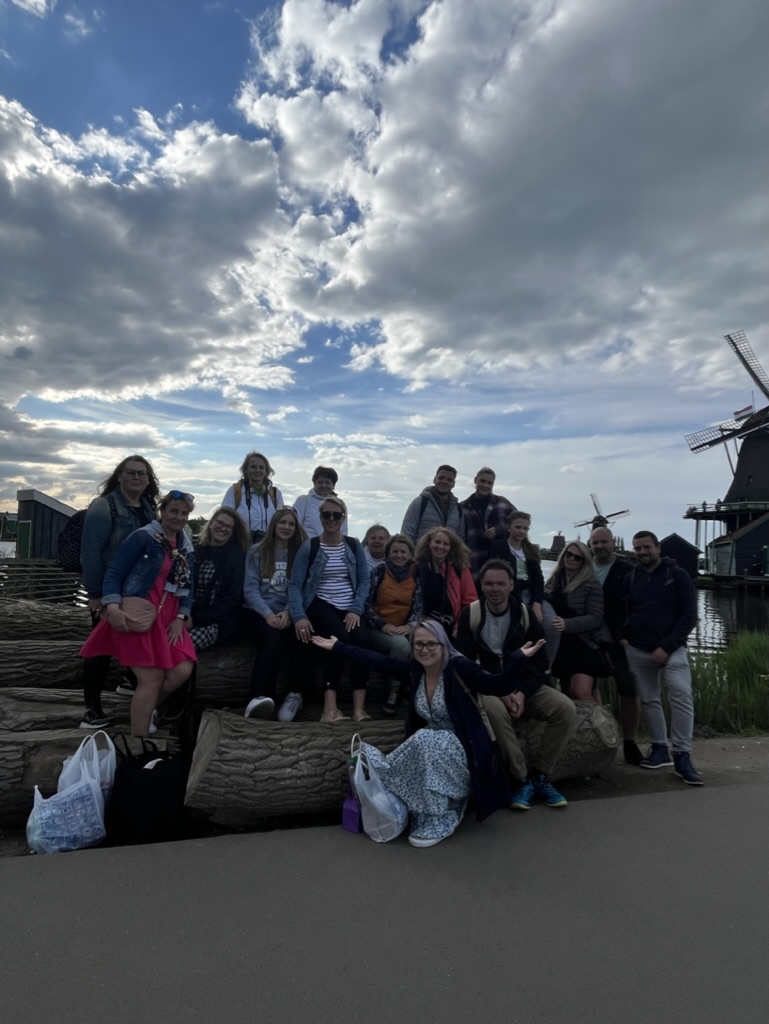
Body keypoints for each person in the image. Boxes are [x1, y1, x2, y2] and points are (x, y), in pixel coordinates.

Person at [313, 620, 546, 847]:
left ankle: (441, 815)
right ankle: (414, 807)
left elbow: (499, 685)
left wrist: (518, 659)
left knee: (426, 739)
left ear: (443, 645)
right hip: (430, 747)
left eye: (431, 644)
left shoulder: (459, 668)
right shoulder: (416, 670)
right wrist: (338, 646)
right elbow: (379, 661)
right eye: (419, 644)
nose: (425, 650)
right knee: (373, 759)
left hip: (463, 751)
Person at [456, 560, 575, 810]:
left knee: (565, 708)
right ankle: (521, 779)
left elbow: (540, 660)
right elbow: (465, 663)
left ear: (511, 585)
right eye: (489, 583)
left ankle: (541, 775)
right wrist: (500, 691)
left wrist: (520, 692)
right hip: (488, 687)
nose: (494, 589)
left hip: (522, 686)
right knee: (495, 714)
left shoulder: (524, 614)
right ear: (481, 585)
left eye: (501, 583)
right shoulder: (471, 615)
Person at [79, 490, 196, 737]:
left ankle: (145, 708)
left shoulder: (186, 545)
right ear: (162, 511)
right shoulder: (143, 537)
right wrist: (112, 606)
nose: (179, 517)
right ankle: (139, 742)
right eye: (174, 511)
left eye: (184, 513)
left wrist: (180, 617)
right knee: (152, 678)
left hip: (169, 618)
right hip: (140, 614)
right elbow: (115, 573)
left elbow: (189, 587)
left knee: (181, 670)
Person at [79, 454, 160, 728]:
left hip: (137, 592)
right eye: (131, 473)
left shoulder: (147, 508)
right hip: (109, 591)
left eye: (142, 474)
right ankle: (91, 710)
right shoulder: (105, 507)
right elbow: (90, 553)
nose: (137, 477)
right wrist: (95, 594)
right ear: (120, 476)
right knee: (100, 650)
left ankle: (129, 684)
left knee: (135, 641)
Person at [621, 531, 701, 784]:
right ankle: (659, 748)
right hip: (637, 647)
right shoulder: (631, 577)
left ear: (658, 548)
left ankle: (682, 754)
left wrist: (667, 646)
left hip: (672, 649)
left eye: (646, 547)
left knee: (681, 695)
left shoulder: (677, 575)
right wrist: (623, 636)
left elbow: (689, 615)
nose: (642, 552)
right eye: (637, 548)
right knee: (649, 700)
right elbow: (623, 609)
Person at [288, 495, 371, 722]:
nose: (331, 519)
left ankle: (358, 710)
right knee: (339, 639)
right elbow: (295, 584)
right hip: (320, 602)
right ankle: (329, 709)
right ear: (321, 517)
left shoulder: (353, 545)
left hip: (349, 606)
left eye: (336, 515)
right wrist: (298, 616)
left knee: (362, 641)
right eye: (327, 514)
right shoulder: (310, 547)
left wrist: (356, 609)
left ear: (343, 518)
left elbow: (364, 580)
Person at [243, 506, 312, 721]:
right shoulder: (257, 550)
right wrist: (267, 614)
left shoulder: (300, 554)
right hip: (257, 611)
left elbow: (302, 588)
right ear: (274, 524)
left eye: (291, 524)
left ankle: (295, 694)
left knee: (302, 636)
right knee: (271, 640)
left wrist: (289, 613)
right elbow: (250, 589)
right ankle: (259, 697)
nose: (286, 527)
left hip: (287, 612)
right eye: (282, 522)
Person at [588, 526, 642, 765]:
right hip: (588, 636)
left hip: (619, 637)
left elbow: (638, 603)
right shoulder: (584, 566)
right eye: (595, 543)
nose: (599, 546)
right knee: (585, 687)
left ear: (613, 543)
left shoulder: (627, 569)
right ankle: (599, 738)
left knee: (628, 688)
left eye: (603, 542)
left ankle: (629, 741)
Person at [363, 533, 423, 714]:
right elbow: (365, 605)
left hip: (404, 627)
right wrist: (382, 624)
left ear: (410, 554)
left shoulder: (415, 576)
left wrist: (410, 626)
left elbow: (419, 606)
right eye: (395, 551)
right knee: (402, 646)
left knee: (427, 641)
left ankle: (421, 691)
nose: (399, 555)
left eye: (403, 552)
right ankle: (394, 692)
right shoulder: (378, 573)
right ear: (388, 553)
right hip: (378, 629)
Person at [544, 540, 610, 701]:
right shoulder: (553, 581)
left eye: (577, 557)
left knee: (581, 692)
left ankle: (599, 725)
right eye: (569, 554)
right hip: (561, 645)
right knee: (567, 695)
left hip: (583, 642)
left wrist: (567, 624)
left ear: (584, 561)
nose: (572, 559)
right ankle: (576, 726)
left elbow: (595, 617)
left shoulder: (591, 584)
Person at [188, 507, 249, 652]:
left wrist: (196, 620)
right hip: (190, 615)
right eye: (220, 523)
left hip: (218, 622)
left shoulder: (237, 556)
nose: (223, 528)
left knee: (178, 646)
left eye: (228, 526)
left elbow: (233, 598)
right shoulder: (198, 551)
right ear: (211, 523)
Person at [412, 527, 477, 635]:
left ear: (451, 547)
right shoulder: (418, 568)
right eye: (437, 542)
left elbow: (470, 602)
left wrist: (460, 626)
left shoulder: (460, 569)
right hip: (424, 629)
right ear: (429, 543)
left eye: (446, 544)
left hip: (453, 630)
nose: (441, 547)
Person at [459, 468, 516, 581]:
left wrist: (500, 530)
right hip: (473, 563)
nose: (485, 485)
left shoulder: (503, 503)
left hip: (499, 563)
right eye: (482, 481)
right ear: (476, 480)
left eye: (490, 483)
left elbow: (519, 525)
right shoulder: (462, 507)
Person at [222, 452, 283, 543]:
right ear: (246, 470)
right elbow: (224, 518)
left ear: (266, 471)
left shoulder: (275, 493)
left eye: (261, 467)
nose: (257, 470)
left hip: (268, 546)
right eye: (253, 467)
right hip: (240, 544)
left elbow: (280, 520)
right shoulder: (235, 491)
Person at [400, 464, 464, 544]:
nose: (444, 481)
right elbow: (406, 535)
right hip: (420, 556)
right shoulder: (419, 503)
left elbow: (461, 540)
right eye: (441, 478)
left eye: (449, 480)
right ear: (434, 479)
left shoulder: (458, 509)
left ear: (453, 484)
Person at [293, 466, 348, 539]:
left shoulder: (340, 505)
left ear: (334, 485)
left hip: (332, 548)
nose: (324, 485)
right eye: (320, 482)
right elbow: (295, 525)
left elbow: (344, 531)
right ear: (314, 484)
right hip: (308, 547)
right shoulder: (303, 501)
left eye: (327, 482)